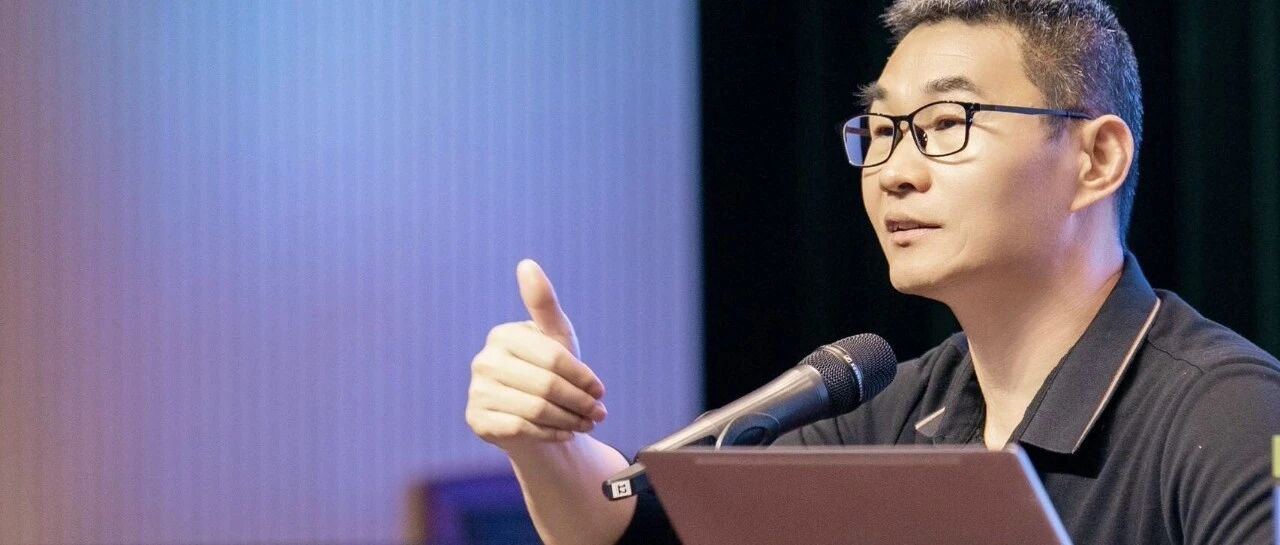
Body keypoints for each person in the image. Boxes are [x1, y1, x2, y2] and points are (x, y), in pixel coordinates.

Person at [464, 0, 1280, 543]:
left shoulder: (1233, 416)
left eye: (945, 123)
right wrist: (544, 443)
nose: (894, 171)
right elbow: (635, 524)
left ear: (1096, 158)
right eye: (882, 131)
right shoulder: (892, 411)